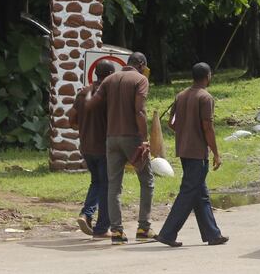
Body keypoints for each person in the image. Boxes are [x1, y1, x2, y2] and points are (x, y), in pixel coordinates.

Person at [155, 63, 228, 248]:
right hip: (197, 152)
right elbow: (207, 127)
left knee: (200, 194)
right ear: (208, 76)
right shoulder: (205, 97)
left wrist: (185, 130)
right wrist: (216, 153)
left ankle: (213, 234)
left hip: (184, 150)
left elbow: (172, 122)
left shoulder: (181, 95)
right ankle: (167, 233)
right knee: (188, 193)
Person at [98, 51, 154, 244]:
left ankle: (117, 232)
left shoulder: (109, 79)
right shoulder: (140, 80)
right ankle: (143, 228)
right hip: (132, 138)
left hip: (111, 138)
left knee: (114, 186)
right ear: (140, 63)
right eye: (144, 67)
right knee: (146, 181)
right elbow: (139, 110)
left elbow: (97, 105)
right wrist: (145, 139)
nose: (145, 71)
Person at [70, 60, 116, 238]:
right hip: (103, 147)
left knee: (96, 182)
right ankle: (102, 228)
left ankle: (86, 214)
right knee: (106, 186)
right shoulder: (107, 94)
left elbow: (71, 119)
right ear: (111, 74)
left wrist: (82, 127)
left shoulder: (83, 92)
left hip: (86, 146)